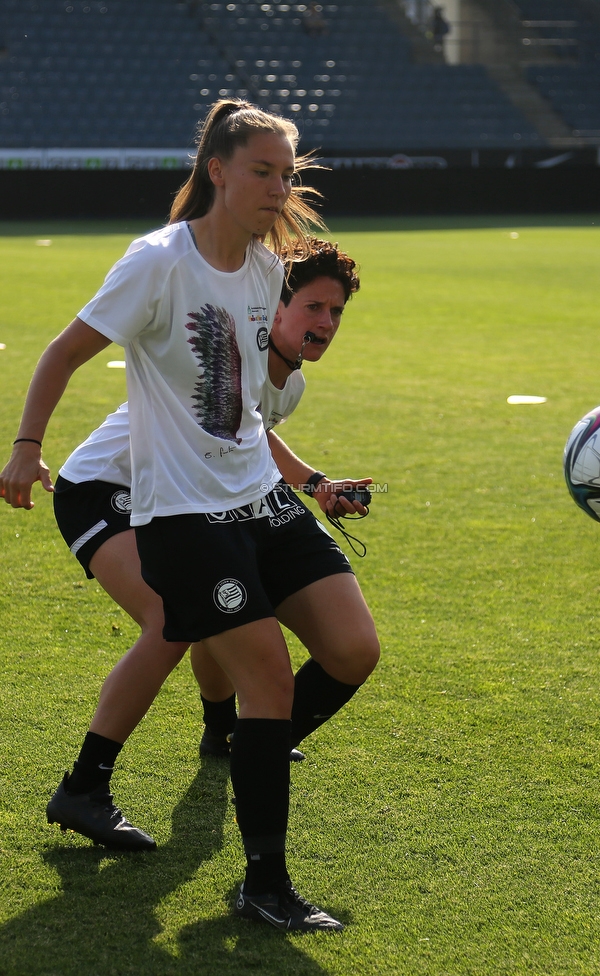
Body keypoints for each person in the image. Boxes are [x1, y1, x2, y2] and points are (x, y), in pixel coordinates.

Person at [0, 100, 379, 932]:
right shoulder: (158, 262)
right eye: (263, 171)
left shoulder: (260, 270)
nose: (280, 188)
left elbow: (243, 412)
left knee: (354, 649)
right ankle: (263, 884)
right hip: (174, 510)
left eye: (288, 175)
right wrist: (28, 446)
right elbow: (63, 352)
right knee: (248, 668)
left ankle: (247, 745)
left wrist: (311, 482)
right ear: (217, 170)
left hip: (256, 499)